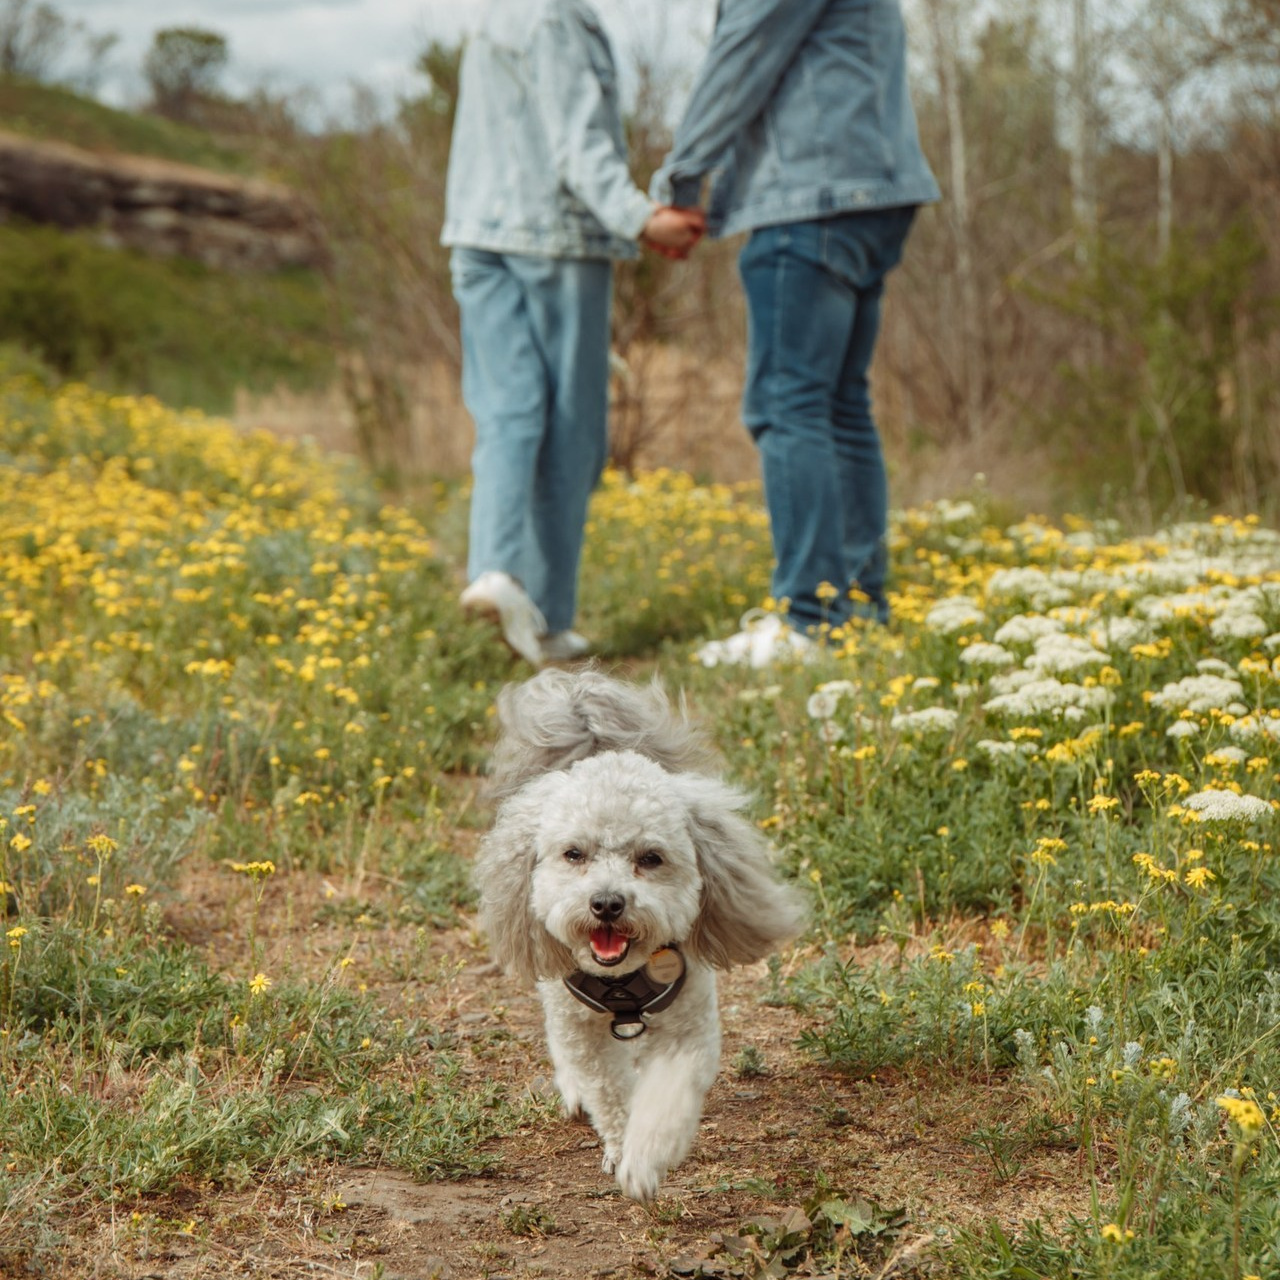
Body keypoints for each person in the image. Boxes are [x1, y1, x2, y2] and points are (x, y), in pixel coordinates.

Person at [651, 0, 940, 667]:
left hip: (813, 196)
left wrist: (682, 180)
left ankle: (807, 621)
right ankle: (859, 613)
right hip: (872, 192)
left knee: (790, 405)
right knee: (840, 405)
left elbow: (743, 54)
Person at [442, 0, 704, 666]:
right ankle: (550, 619)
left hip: (475, 235)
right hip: (551, 244)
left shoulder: (493, 13)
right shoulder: (556, 18)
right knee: (571, 434)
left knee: (507, 413)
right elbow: (577, 144)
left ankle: (495, 574)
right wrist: (642, 218)